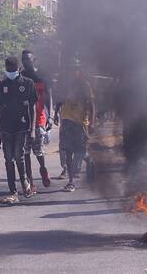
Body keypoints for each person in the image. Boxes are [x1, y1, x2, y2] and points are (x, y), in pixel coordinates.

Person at [0, 56, 38, 203]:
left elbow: (32, 108)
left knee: (19, 157)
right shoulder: (2, 85)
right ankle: (13, 191)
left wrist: (32, 130)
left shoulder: (28, 83)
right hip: (6, 127)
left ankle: (25, 184)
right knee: (8, 160)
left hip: (22, 126)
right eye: (8, 69)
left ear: (18, 69)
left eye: (12, 69)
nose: (10, 72)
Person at [54, 59, 95, 192]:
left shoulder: (85, 85)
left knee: (81, 152)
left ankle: (90, 162)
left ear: (79, 71)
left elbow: (92, 106)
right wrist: (55, 114)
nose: (72, 72)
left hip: (80, 123)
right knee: (68, 151)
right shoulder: (64, 85)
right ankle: (71, 182)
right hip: (66, 121)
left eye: (75, 70)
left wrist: (92, 122)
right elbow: (59, 102)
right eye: (70, 70)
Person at [20, 50, 52, 192]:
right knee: (25, 152)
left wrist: (50, 116)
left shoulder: (42, 75)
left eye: (28, 59)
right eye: (24, 60)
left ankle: (43, 169)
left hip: (39, 117)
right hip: (24, 119)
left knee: (38, 150)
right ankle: (31, 182)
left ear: (34, 60)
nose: (26, 62)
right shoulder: (21, 76)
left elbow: (48, 96)